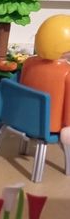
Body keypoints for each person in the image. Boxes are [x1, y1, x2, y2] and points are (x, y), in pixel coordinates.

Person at [19, 14, 70, 143]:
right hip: (51, 126)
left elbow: (21, 89)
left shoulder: (28, 63)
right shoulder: (67, 73)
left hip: (23, 118)